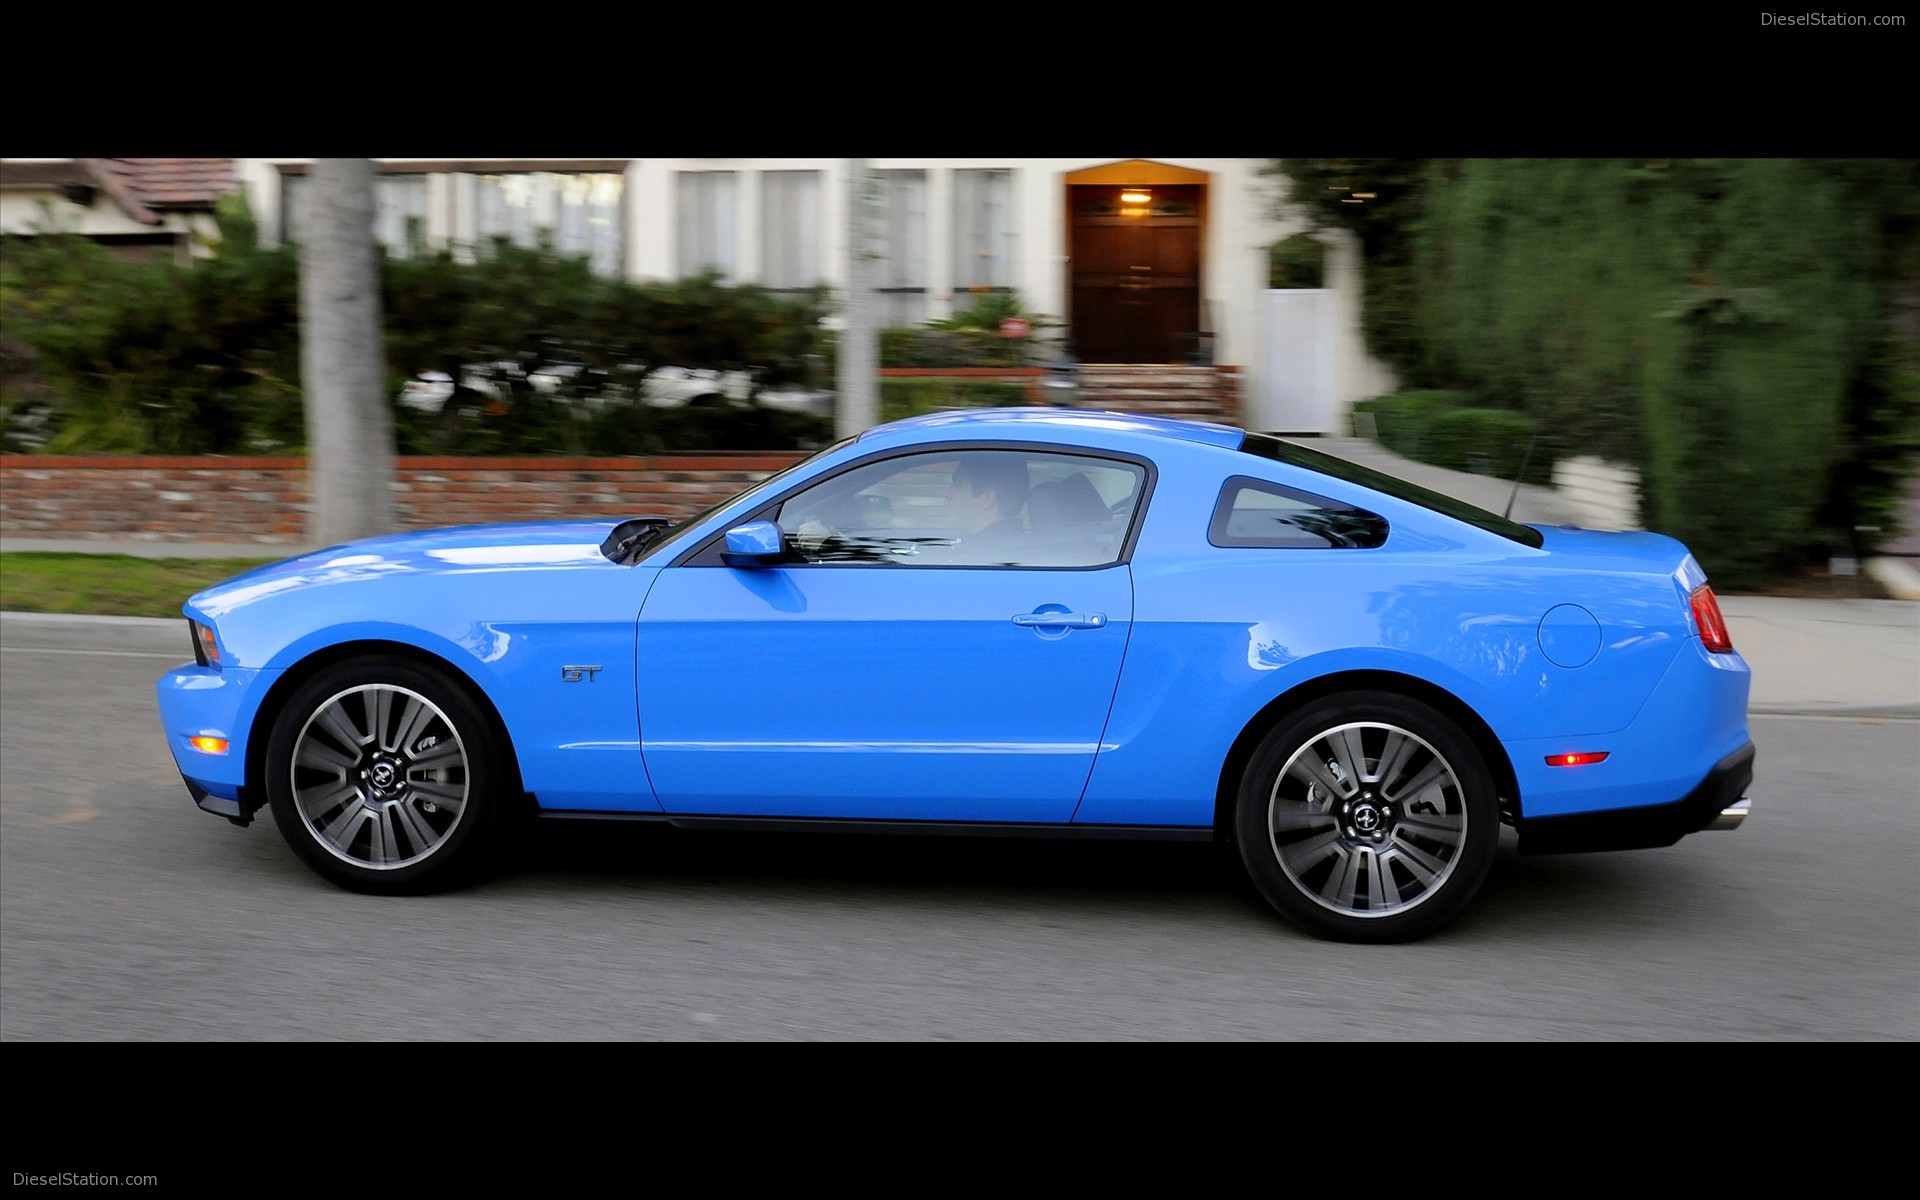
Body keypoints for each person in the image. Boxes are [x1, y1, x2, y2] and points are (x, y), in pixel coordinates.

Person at [945, 455, 1029, 565]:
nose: (948, 494)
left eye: (958, 485)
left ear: (987, 498)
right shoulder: (1026, 554)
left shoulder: (977, 560)